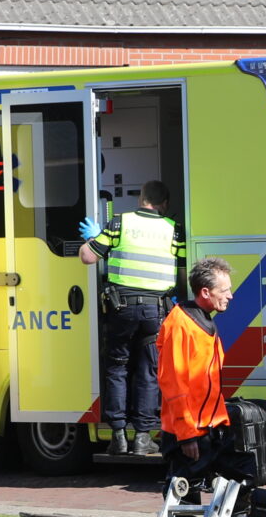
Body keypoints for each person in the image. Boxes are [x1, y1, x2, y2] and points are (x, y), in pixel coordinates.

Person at [79, 181, 181, 456]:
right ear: (164, 203)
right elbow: (182, 272)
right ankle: (143, 438)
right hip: (155, 310)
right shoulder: (174, 229)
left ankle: (118, 437)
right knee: (148, 371)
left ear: (141, 199)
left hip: (121, 308)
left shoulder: (119, 223)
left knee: (117, 368)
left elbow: (88, 257)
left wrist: (93, 238)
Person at [156, 257, 234, 467]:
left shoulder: (202, 320)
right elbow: (174, 383)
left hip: (207, 427)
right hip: (188, 433)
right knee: (186, 487)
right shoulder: (180, 325)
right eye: (224, 290)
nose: (230, 295)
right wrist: (186, 435)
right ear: (206, 292)